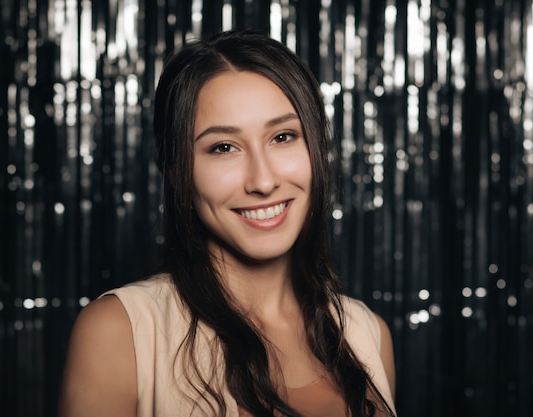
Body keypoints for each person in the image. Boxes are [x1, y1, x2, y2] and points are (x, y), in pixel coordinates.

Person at [58, 30, 396, 417]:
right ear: (177, 169)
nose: (263, 181)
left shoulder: (366, 333)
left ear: (316, 148)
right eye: (223, 147)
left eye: (283, 136)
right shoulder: (121, 333)